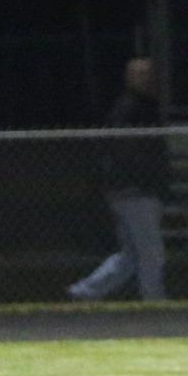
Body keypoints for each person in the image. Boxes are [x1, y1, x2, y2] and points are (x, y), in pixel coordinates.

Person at [68, 57, 170, 302]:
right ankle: (154, 301)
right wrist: (142, 178)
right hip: (135, 191)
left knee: (131, 255)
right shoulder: (129, 108)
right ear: (130, 78)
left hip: (136, 189)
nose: (147, 79)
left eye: (149, 74)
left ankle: (84, 291)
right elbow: (128, 151)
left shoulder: (144, 107)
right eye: (141, 74)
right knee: (151, 253)